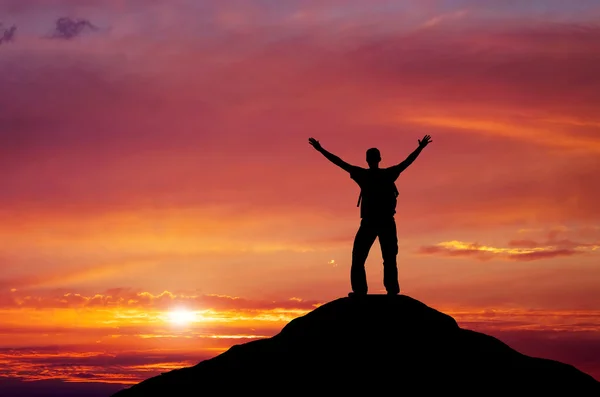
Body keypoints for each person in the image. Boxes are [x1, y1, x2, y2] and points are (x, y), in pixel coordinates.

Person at [308, 135, 432, 296]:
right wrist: (420, 148)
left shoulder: (364, 175)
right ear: (379, 159)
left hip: (372, 222)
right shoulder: (388, 174)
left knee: (363, 257)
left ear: (367, 160)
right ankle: (390, 290)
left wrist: (320, 150)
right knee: (386, 258)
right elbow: (407, 162)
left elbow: (339, 162)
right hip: (384, 222)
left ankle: (363, 291)